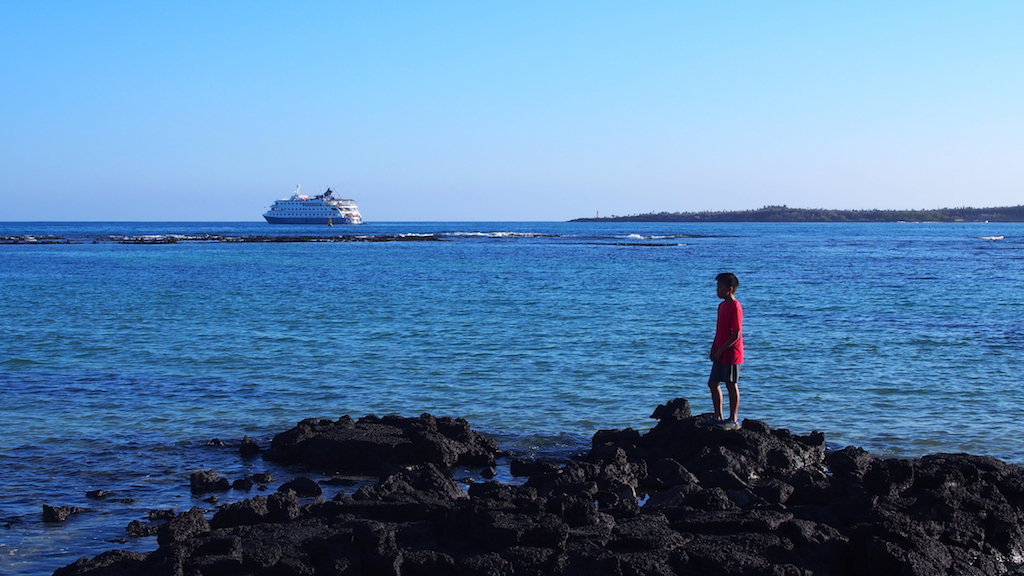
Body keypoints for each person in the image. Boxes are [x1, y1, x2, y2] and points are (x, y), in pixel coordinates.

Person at [708, 272, 744, 430]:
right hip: (719, 352)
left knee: (731, 384)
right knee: (713, 383)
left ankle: (733, 419)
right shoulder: (721, 306)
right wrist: (714, 348)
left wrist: (721, 350)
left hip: (731, 353)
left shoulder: (735, 307)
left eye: (720, 287)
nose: (717, 290)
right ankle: (718, 416)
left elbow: (736, 334)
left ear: (729, 289)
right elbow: (719, 330)